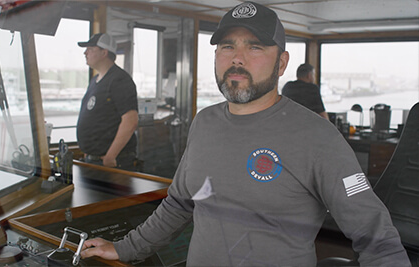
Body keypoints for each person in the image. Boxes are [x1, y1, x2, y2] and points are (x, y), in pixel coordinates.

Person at [80, 2, 410, 266]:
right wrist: (124, 249)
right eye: (227, 46)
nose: (237, 58)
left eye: (254, 47)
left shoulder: (317, 136)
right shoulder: (204, 123)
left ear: (281, 63)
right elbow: (178, 205)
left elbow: (376, 237)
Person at [76, 33, 138, 170]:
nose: (85, 53)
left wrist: (111, 156)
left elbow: (130, 120)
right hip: (94, 160)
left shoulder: (119, 80)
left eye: (90, 49)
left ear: (104, 52)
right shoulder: (95, 80)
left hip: (113, 162)